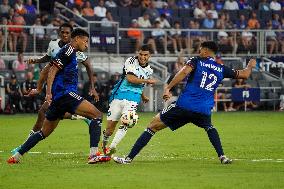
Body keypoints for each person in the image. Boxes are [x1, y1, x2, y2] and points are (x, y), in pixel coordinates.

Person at [113, 41, 257, 164]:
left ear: (206, 50)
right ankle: (222, 156)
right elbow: (244, 74)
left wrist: (168, 88)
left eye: (201, 48)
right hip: (203, 109)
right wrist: (250, 65)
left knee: (152, 126)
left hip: (184, 106)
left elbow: (183, 73)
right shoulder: (221, 68)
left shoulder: (196, 61)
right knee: (209, 127)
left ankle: (128, 159)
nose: (199, 50)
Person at [7, 28, 106, 164]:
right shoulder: (69, 50)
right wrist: (47, 93)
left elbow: (48, 69)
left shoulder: (70, 51)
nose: (87, 45)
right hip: (65, 94)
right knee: (97, 115)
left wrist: (42, 90)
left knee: (44, 132)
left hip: (58, 99)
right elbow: (52, 70)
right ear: (77, 39)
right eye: (86, 41)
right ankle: (94, 155)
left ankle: (16, 156)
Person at [101, 44, 156, 158]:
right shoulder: (131, 61)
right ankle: (104, 145)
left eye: (145, 55)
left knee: (127, 121)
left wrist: (143, 96)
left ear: (149, 56)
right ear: (138, 53)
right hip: (119, 95)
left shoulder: (149, 70)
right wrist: (148, 80)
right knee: (109, 129)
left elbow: (140, 85)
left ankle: (113, 146)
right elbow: (130, 79)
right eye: (140, 54)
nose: (142, 57)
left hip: (133, 98)